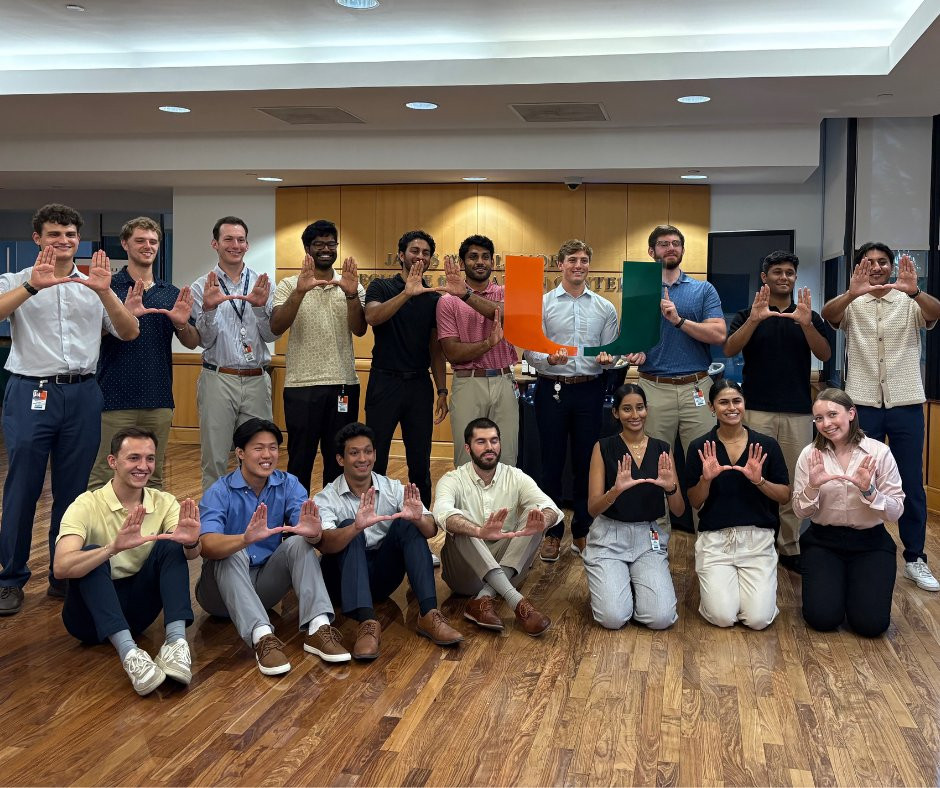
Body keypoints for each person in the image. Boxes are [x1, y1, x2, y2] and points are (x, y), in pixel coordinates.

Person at [0, 203, 141, 615]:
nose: (63, 241)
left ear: (79, 240)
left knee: (74, 490)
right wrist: (32, 288)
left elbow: (129, 331)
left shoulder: (95, 284)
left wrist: (105, 291)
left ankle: (63, 574)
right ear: (37, 239)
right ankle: (10, 578)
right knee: (23, 487)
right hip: (31, 391)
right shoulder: (17, 280)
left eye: (70, 235)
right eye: (54, 234)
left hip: (82, 393)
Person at [821, 244, 940, 592]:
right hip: (863, 406)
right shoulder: (853, 302)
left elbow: (935, 312)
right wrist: (851, 293)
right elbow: (829, 314)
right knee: (859, 476)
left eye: (882, 262)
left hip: (906, 406)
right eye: (869, 262)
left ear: (891, 266)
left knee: (910, 484)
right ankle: (861, 546)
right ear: (859, 267)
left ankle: (915, 558)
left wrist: (915, 291)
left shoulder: (908, 301)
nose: (876, 267)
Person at [195, 418, 350, 676]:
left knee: (299, 542)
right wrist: (244, 539)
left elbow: (305, 527)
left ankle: (318, 627)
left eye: (273, 448)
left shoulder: (288, 484)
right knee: (233, 552)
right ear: (240, 453)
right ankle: (263, 638)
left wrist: (313, 533)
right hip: (219, 594)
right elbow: (206, 545)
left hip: (264, 588)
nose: (267, 455)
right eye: (258, 448)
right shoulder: (219, 491)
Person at [53, 428, 200, 695]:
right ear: (113, 461)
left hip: (138, 614)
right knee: (93, 553)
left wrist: (190, 542)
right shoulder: (85, 504)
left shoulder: (164, 502)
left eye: (150, 459)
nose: (143, 466)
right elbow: (61, 568)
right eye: (134, 458)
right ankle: (130, 653)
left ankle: (176, 644)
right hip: (87, 618)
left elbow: (190, 555)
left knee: (172, 544)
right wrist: (112, 549)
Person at [314, 422, 463, 659]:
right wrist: (355, 527)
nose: (363, 458)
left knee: (409, 522)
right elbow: (324, 544)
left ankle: (428, 613)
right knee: (348, 527)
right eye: (354, 453)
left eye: (368, 451)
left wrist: (418, 518)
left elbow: (431, 530)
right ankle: (366, 622)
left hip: (381, 577)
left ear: (375, 454)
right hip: (341, 581)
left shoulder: (392, 488)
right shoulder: (326, 497)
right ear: (340, 459)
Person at [522, 239, 630, 562]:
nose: (578, 265)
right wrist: (547, 360)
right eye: (572, 260)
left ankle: (582, 530)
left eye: (583, 260)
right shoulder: (542, 304)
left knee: (587, 463)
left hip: (589, 390)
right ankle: (552, 533)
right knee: (551, 463)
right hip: (551, 388)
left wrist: (610, 359)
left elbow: (614, 353)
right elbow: (529, 349)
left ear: (589, 265)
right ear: (560, 264)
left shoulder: (604, 307)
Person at [724, 251, 831, 573]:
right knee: (752, 476)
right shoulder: (748, 313)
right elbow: (729, 348)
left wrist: (806, 324)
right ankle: (754, 542)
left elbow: (825, 353)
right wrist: (755, 320)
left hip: (798, 411)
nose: (784, 277)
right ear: (764, 277)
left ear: (795, 278)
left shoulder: (807, 315)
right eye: (777, 272)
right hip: (756, 410)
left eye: (789, 273)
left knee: (794, 481)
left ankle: (788, 546)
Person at [89, 217, 200, 491]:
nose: (147, 246)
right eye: (140, 240)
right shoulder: (107, 288)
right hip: (113, 398)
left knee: (152, 475)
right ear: (125, 244)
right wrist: (123, 316)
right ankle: (104, 523)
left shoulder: (170, 293)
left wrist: (181, 323)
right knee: (103, 475)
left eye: (153, 241)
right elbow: (88, 335)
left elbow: (191, 342)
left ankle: (148, 522)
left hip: (158, 399)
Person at [433, 417, 563, 636]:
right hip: (465, 575)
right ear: (468, 448)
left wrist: (543, 521)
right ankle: (517, 601)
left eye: (494, 441)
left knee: (537, 516)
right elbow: (441, 513)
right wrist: (478, 531)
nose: (489, 447)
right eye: (481, 442)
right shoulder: (452, 479)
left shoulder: (515, 476)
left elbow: (551, 507)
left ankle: (483, 599)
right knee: (460, 520)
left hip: (508, 567)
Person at [792, 388, 904, 637]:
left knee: (871, 625)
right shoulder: (809, 454)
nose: (826, 424)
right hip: (823, 541)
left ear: (851, 413)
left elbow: (896, 512)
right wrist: (813, 486)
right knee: (822, 618)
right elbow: (799, 511)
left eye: (833, 414)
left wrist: (869, 491)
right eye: (819, 418)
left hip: (870, 543)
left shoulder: (879, 452)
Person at [638, 225, 726, 527]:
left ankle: (708, 536)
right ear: (652, 251)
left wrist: (679, 321)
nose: (671, 248)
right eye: (663, 244)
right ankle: (657, 540)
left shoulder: (703, 290)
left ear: (683, 250)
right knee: (655, 466)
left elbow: (719, 334)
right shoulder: (640, 289)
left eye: (676, 243)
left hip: (696, 387)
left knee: (705, 463)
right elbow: (634, 340)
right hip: (653, 387)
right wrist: (635, 352)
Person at [685, 380, 790, 630]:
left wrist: (759, 481)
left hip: (757, 540)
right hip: (715, 540)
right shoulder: (700, 447)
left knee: (758, 619)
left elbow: (784, 495)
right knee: (723, 617)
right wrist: (706, 480)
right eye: (723, 402)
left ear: (744, 404)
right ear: (711, 407)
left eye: (736, 401)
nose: (731, 408)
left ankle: (747, 593)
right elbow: (695, 501)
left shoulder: (766, 445)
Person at [270, 219, 366, 491]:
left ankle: (333, 512)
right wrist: (300, 291)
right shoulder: (289, 285)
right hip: (301, 385)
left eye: (331, 244)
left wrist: (351, 295)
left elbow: (359, 329)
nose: (326, 249)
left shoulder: (351, 285)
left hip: (343, 383)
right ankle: (296, 512)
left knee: (338, 458)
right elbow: (276, 326)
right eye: (319, 244)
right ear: (307, 249)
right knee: (300, 457)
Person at [189, 216, 280, 491]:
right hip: (219, 377)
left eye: (241, 240)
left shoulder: (263, 283)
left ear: (247, 245)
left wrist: (259, 309)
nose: (235, 245)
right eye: (228, 239)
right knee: (215, 457)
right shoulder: (201, 286)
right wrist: (209, 309)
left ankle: (257, 510)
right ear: (215, 244)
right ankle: (214, 515)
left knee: (260, 454)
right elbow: (204, 341)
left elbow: (271, 335)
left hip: (256, 379)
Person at [585, 384, 684, 630]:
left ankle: (632, 583)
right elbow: (593, 508)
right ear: (616, 413)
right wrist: (615, 491)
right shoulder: (603, 447)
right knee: (613, 618)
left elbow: (679, 510)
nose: (635, 415)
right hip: (609, 538)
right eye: (627, 409)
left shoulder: (662, 448)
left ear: (647, 410)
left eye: (640, 408)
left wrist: (670, 488)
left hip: (648, 538)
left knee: (661, 618)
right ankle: (614, 579)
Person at [364, 230, 448, 506]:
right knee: (376, 457)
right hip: (384, 382)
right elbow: (372, 317)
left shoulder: (433, 298)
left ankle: (421, 520)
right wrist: (406, 293)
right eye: (414, 251)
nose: (420, 257)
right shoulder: (381, 287)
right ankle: (373, 518)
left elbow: (436, 350)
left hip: (418, 386)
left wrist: (442, 390)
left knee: (420, 462)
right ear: (401, 255)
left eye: (426, 253)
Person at [436, 235, 520, 466]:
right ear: (462, 263)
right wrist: (487, 344)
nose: (480, 262)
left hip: (504, 380)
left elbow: (507, 314)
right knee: (467, 458)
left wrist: (466, 295)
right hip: (468, 382)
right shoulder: (447, 302)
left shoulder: (506, 293)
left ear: (493, 261)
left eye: (485, 257)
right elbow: (452, 352)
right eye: (473, 257)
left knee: (507, 456)